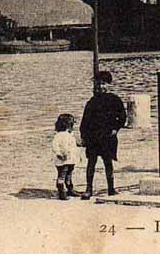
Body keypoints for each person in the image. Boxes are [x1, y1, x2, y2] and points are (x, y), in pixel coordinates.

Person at [79, 71, 127, 199]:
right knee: (91, 163)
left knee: (108, 162)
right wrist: (84, 136)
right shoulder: (92, 102)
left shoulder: (115, 100)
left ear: (109, 85)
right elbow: (85, 121)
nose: (100, 86)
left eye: (103, 84)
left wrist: (116, 129)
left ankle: (111, 188)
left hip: (107, 137)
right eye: (98, 84)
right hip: (93, 137)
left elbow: (122, 117)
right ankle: (88, 189)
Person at [51, 113, 79, 200]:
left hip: (70, 160)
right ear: (69, 125)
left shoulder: (69, 134)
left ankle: (70, 189)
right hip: (62, 160)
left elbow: (73, 145)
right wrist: (59, 154)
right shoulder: (59, 135)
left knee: (68, 175)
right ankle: (61, 192)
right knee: (62, 175)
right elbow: (55, 146)